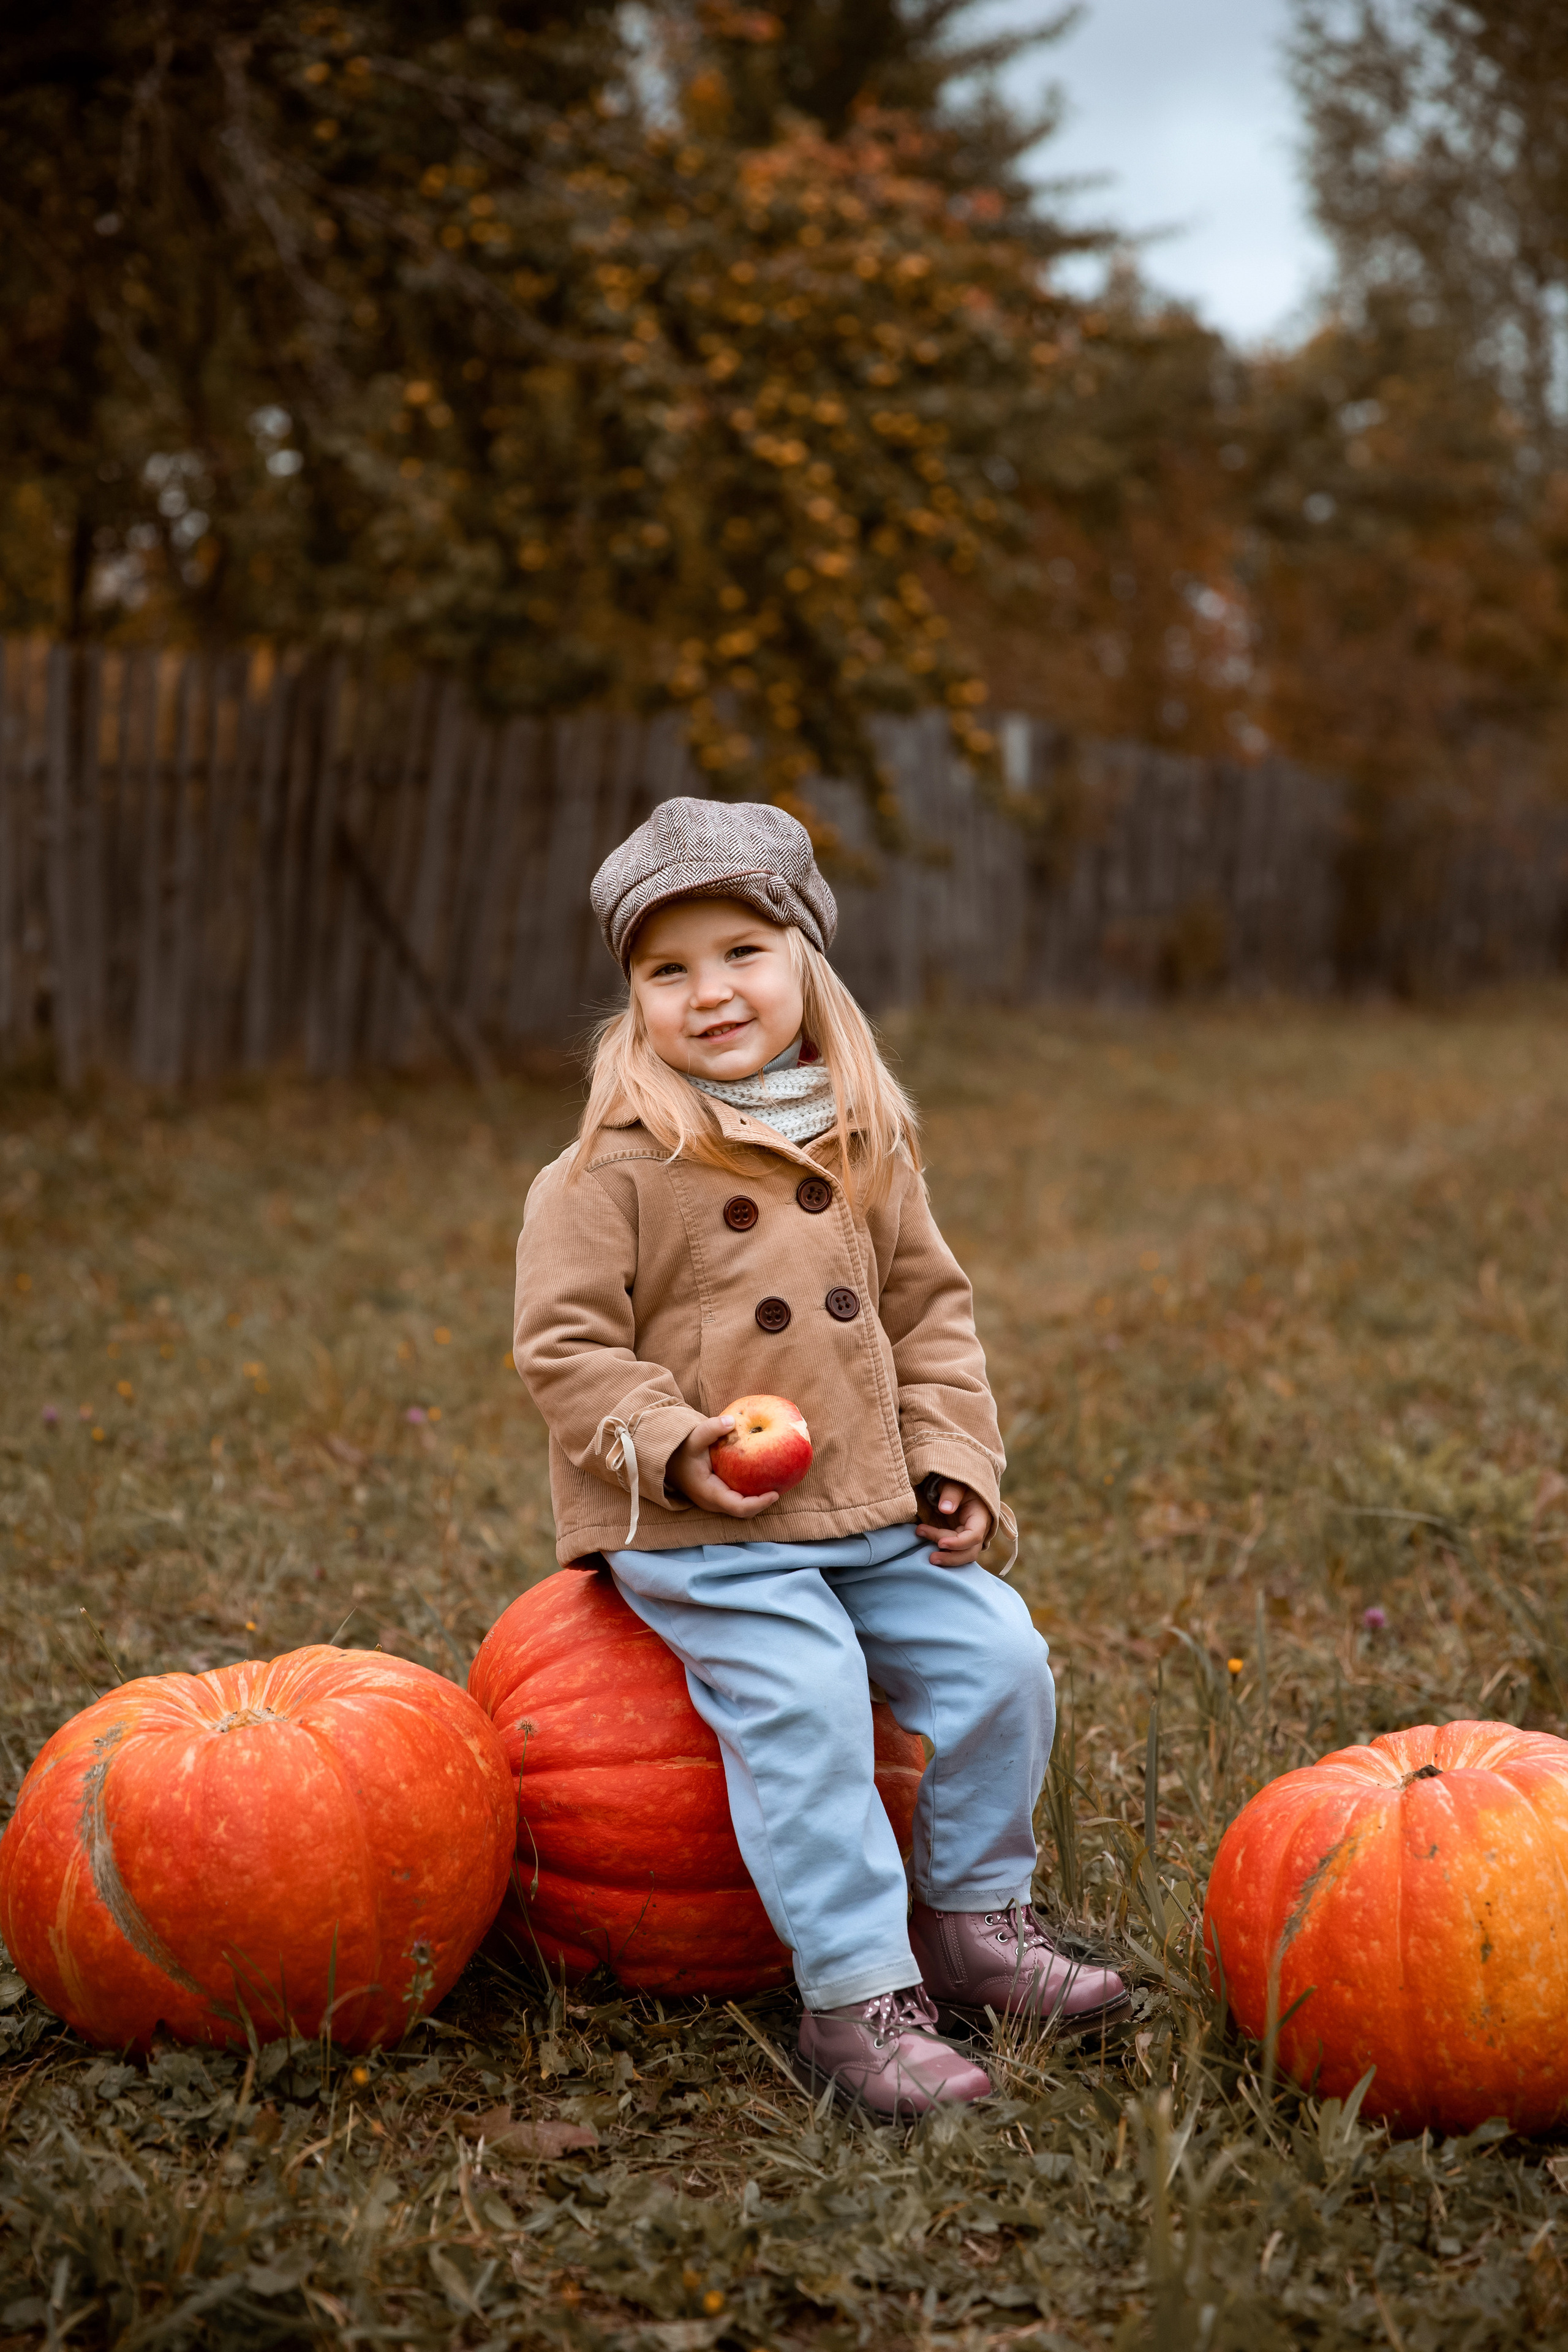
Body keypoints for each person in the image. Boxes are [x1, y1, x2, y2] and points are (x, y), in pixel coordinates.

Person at [512, 798, 1124, 2115]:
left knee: (1000, 1657)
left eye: (741, 952)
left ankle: (972, 1924)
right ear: (633, 999)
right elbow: (565, 1351)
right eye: (666, 970)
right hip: (705, 1529)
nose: (708, 992)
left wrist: (951, 1460)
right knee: (808, 1696)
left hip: (868, 1506)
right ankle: (856, 1999)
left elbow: (930, 1313)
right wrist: (679, 1448)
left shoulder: (865, 1141)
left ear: (804, 962)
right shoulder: (604, 1171)